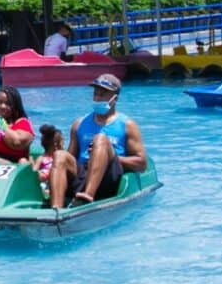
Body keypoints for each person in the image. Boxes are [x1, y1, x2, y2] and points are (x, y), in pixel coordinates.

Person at [46, 74, 147, 210]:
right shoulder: (79, 124)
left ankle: (87, 197)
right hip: (82, 173)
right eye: (95, 94)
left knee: (100, 139)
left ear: (114, 99)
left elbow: (141, 164)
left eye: (103, 94)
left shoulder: (127, 125)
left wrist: (104, 156)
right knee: (60, 155)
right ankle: (56, 209)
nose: (97, 98)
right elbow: (70, 158)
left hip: (109, 177)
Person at [33, 124, 65, 203]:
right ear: (56, 145)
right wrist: (40, 174)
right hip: (44, 183)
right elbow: (34, 171)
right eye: (62, 141)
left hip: (55, 181)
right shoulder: (41, 158)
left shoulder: (61, 157)